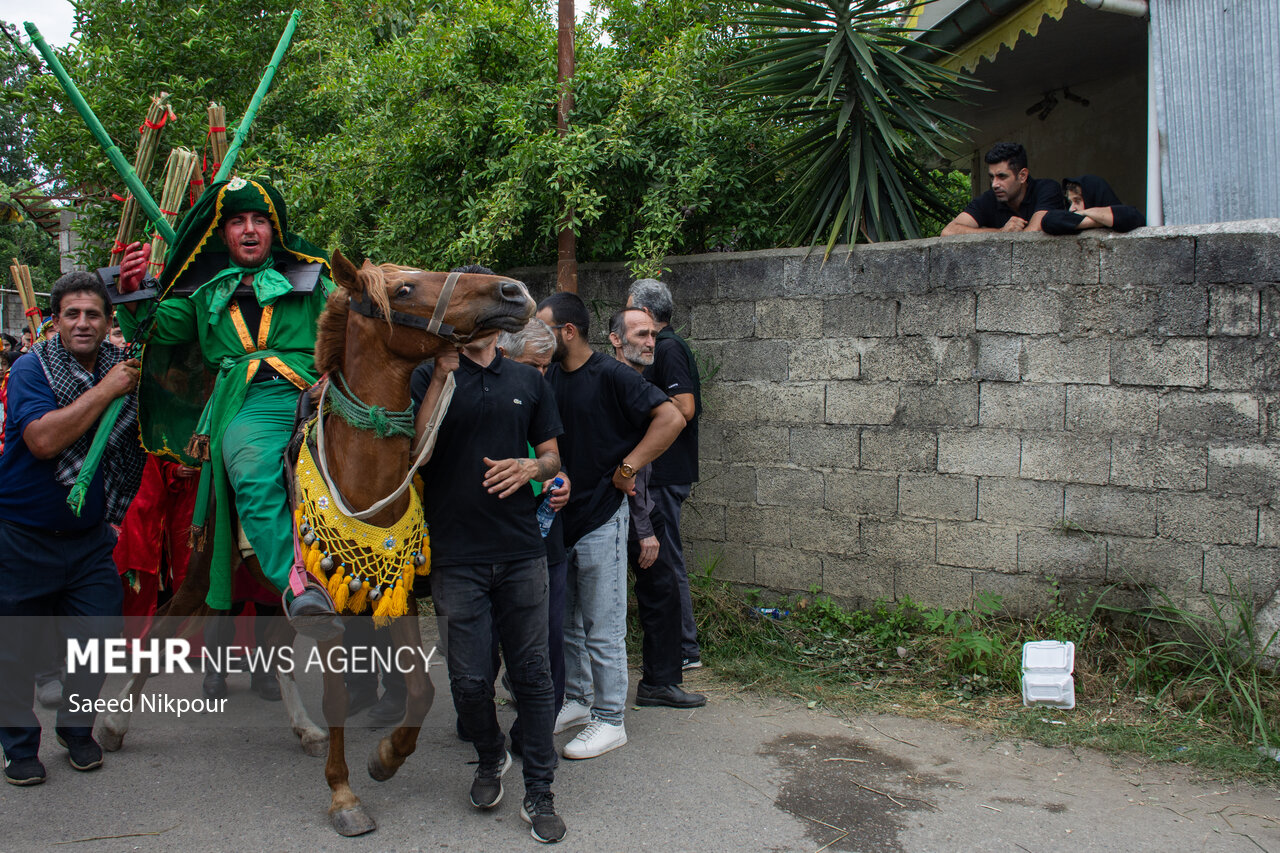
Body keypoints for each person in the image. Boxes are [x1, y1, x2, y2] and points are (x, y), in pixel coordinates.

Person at [115, 177, 342, 638]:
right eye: (238, 221)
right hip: (248, 405)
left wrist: (333, 376)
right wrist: (132, 290)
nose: (250, 228)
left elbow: (348, 330)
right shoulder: (200, 294)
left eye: (260, 219)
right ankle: (301, 589)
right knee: (255, 473)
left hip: (322, 396)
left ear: (274, 231)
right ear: (224, 236)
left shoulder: (315, 278)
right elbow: (154, 329)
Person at [411, 305, 569, 844]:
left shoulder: (528, 378)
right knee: (469, 681)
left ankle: (541, 790)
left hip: (523, 551)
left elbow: (551, 455)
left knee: (534, 675)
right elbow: (417, 452)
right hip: (456, 556)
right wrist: (439, 373)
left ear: (498, 324)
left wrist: (530, 467)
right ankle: (489, 755)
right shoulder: (428, 375)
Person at [0, 271, 144, 785]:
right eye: (72, 314)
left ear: (108, 323)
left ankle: (75, 729)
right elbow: (42, 441)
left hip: (89, 540)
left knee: (101, 638)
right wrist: (106, 390)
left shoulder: (127, 370)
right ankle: (19, 747)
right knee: (16, 649)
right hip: (21, 535)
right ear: (55, 320)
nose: (83, 323)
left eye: (93, 314)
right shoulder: (30, 369)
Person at [536, 292, 684, 760]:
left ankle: (610, 719)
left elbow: (672, 417)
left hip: (603, 515)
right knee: (570, 624)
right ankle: (579, 702)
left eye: (544, 328)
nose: (538, 337)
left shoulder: (613, 374)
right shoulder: (551, 376)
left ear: (568, 331)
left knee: (603, 625)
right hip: (563, 518)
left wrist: (628, 468)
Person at [608, 308, 705, 710]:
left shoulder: (642, 380)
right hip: (615, 507)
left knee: (661, 587)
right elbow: (629, 472)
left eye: (652, 335)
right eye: (640, 334)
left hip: (644, 501)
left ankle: (660, 680)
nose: (650, 342)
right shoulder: (613, 380)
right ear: (615, 339)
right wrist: (643, 525)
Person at [627, 278, 704, 670]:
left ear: (648, 313)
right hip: (662, 472)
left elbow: (685, 407)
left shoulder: (669, 347)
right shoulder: (663, 347)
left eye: (633, 310)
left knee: (668, 561)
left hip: (666, 472)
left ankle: (685, 649)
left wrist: (642, 399)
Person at [940, 142, 1063, 235]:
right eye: (992, 177)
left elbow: (1033, 232)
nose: (995, 184)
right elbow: (948, 231)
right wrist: (1000, 231)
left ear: (1022, 176)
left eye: (1001, 176)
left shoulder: (1046, 189)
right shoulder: (989, 199)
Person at [1041, 174, 1146, 235]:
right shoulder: (1070, 223)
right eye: (1070, 202)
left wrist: (1084, 212)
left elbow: (1131, 216)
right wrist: (1097, 222)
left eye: (1077, 201)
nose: (1071, 209)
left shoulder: (1129, 214)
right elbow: (1048, 220)